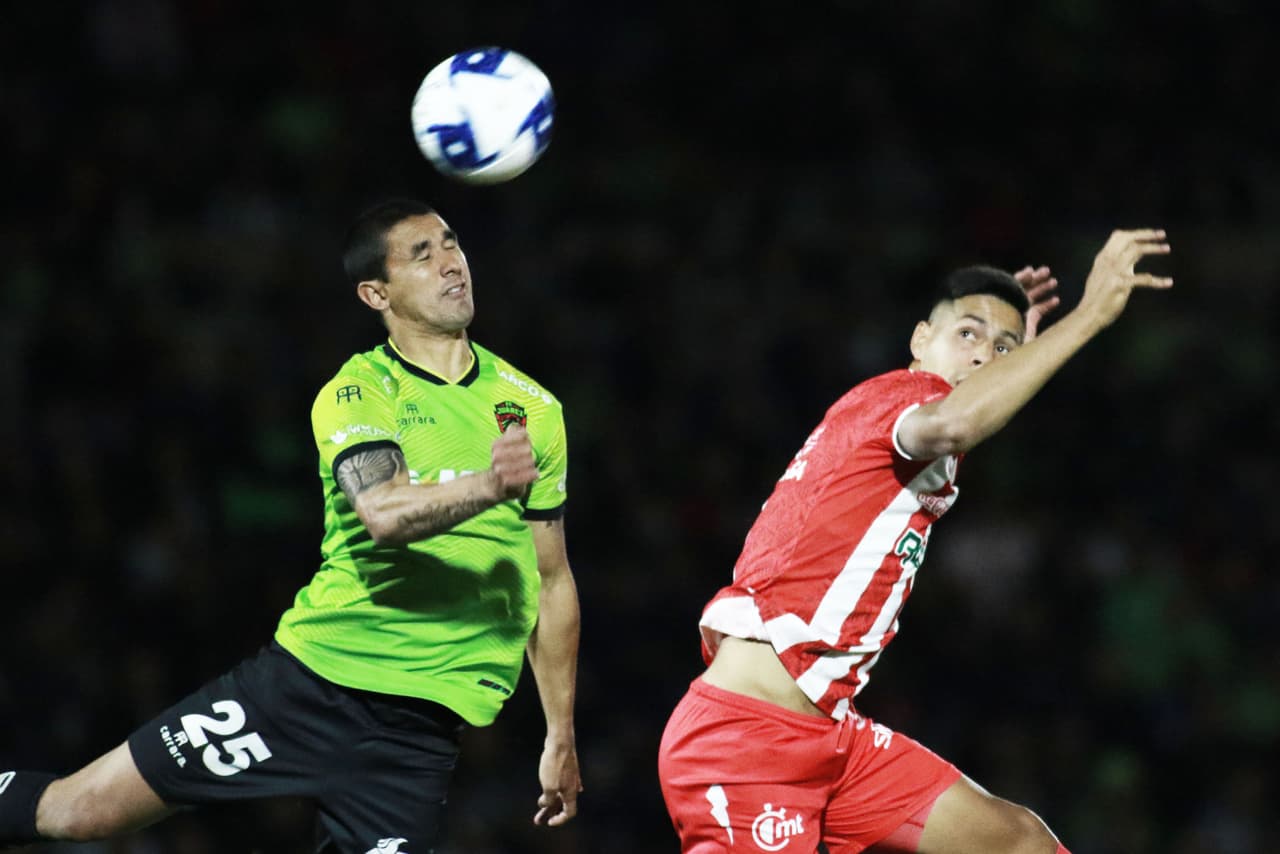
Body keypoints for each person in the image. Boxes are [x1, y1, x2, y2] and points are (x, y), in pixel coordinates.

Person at [0, 199, 583, 853]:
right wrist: (489, 484)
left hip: (415, 742)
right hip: (310, 688)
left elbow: (551, 577)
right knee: (78, 812)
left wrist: (559, 732)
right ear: (375, 292)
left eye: (451, 244)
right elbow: (382, 513)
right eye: (422, 255)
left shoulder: (533, 408)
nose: (451, 263)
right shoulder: (360, 391)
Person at [657, 229, 1172, 853]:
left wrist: (1014, 355)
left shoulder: (891, 416)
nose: (986, 354)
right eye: (968, 333)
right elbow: (957, 420)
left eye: (1002, 346)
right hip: (746, 742)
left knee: (1019, 844)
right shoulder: (908, 398)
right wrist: (1089, 317)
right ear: (919, 340)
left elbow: (979, 406)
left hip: (830, 740)